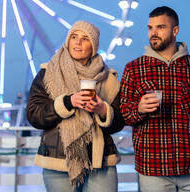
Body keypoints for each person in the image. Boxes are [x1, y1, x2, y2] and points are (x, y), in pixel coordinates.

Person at [120, 6, 190, 192]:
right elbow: (123, 113)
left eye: (160, 27)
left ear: (175, 30)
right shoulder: (133, 69)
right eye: (150, 28)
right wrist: (139, 108)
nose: (153, 33)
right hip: (152, 167)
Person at [26, 20, 124, 192]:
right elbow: (34, 114)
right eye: (74, 36)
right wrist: (67, 103)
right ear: (68, 40)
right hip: (58, 161)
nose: (78, 42)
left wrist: (103, 110)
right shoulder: (48, 74)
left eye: (85, 39)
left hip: (100, 161)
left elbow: (120, 121)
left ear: (93, 47)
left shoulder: (109, 79)